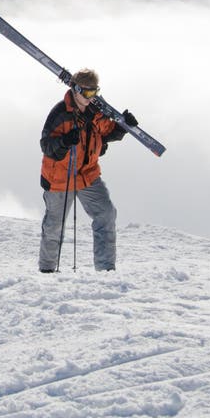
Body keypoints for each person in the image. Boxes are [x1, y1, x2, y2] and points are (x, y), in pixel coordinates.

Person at [38, 69, 138, 273]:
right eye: (87, 94)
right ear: (75, 90)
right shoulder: (60, 114)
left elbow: (106, 133)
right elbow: (47, 146)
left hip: (88, 175)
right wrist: (65, 142)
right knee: (54, 226)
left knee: (106, 214)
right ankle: (47, 271)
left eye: (95, 93)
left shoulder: (95, 114)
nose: (91, 98)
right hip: (60, 179)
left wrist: (123, 127)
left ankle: (106, 269)